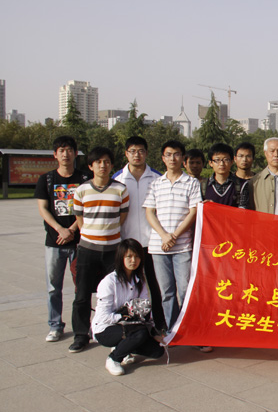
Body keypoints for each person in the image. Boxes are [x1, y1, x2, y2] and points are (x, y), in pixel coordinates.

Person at [70, 147, 130, 353]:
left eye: (106, 162)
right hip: (87, 249)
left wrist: (108, 234)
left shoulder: (120, 189)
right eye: (98, 162)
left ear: (112, 165)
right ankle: (81, 335)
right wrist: (92, 235)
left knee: (116, 293)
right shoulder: (81, 190)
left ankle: (114, 332)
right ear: (90, 166)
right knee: (82, 293)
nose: (102, 166)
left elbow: (122, 216)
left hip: (113, 250)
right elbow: (80, 219)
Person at [34, 135, 90, 342]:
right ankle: (55, 325)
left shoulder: (85, 178)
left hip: (80, 241)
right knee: (53, 287)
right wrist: (60, 229)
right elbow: (43, 209)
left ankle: (82, 327)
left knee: (81, 287)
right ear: (55, 155)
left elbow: (88, 207)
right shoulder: (46, 179)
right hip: (54, 241)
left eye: (69, 150)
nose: (65, 154)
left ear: (75, 153)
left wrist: (72, 229)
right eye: (61, 150)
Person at [144, 140, 202, 331]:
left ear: (182, 158)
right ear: (163, 158)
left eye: (176, 154)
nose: (172, 158)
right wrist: (163, 236)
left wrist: (174, 236)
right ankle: (172, 330)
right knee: (166, 292)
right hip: (158, 246)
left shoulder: (191, 183)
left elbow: (194, 211)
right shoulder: (155, 183)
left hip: (182, 245)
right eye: (168, 155)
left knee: (185, 290)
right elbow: (149, 212)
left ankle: (188, 329)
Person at [112, 136, 166, 331]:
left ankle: (160, 324)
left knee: (156, 286)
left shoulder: (157, 178)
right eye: (133, 151)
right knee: (128, 287)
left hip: (152, 242)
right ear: (126, 153)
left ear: (146, 153)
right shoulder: (117, 180)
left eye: (141, 151)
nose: (137, 155)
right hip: (127, 243)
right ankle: (132, 325)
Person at [92, 239, 165, 376]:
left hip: (130, 326)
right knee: (139, 333)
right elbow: (103, 316)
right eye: (129, 256)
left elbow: (144, 310)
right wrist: (124, 316)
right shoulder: (109, 282)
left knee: (157, 351)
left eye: (137, 256)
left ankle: (123, 347)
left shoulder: (140, 280)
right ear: (121, 258)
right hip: (106, 328)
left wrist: (153, 332)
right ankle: (114, 358)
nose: (133, 260)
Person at [202, 142, 251, 208]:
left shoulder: (242, 185)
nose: (222, 164)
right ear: (210, 163)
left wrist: (215, 207)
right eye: (217, 160)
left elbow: (242, 211)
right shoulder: (203, 186)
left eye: (226, 160)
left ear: (232, 162)